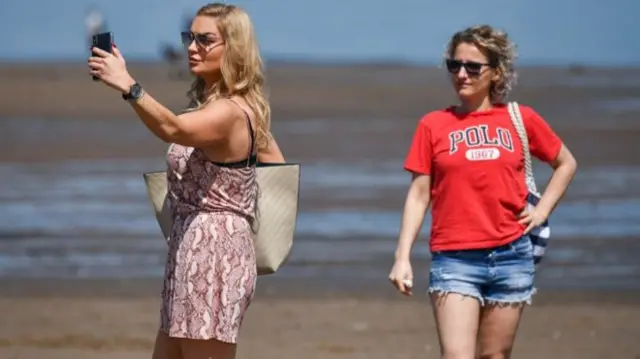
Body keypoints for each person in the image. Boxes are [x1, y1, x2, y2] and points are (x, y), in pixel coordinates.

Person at [88, 3, 284, 359]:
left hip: (214, 254)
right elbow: (275, 163)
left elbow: (172, 129)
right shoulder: (231, 107)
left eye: (205, 40)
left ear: (234, 47)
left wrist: (129, 87)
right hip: (189, 247)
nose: (192, 47)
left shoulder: (228, 112)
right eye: (189, 37)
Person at [388, 25, 577, 359]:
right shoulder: (433, 125)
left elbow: (566, 163)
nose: (462, 74)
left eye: (473, 67)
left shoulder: (521, 119)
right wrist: (402, 257)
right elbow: (419, 195)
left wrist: (542, 211)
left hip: (512, 256)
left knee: (494, 355)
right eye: (454, 65)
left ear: (496, 72)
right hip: (454, 259)